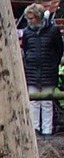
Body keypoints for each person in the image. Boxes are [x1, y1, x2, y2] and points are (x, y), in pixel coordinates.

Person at [23, 4, 63, 136]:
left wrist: (53, 64)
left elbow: (59, 50)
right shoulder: (27, 32)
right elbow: (26, 49)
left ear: (39, 17)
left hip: (48, 71)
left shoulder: (53, 31)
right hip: (32, 71)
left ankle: (47, 130)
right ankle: (34, 129)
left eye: (32, 18)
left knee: (47, 102)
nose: (30, 21)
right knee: (33, 102)